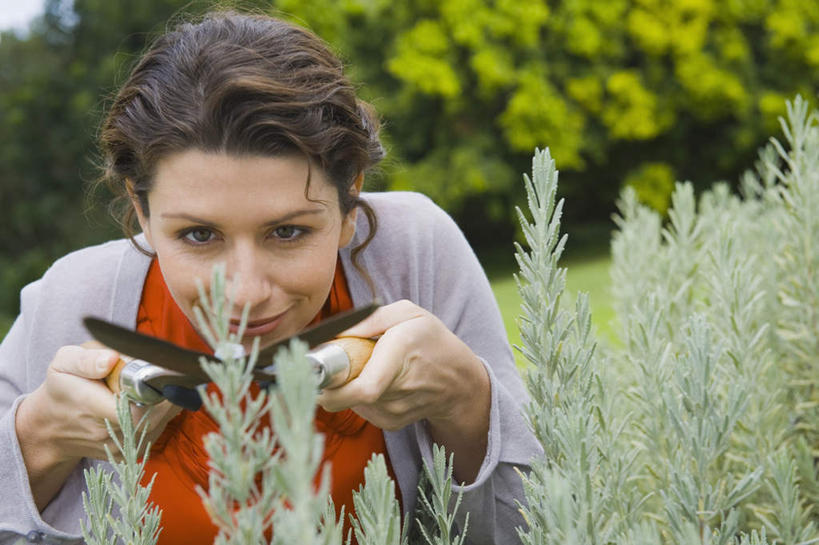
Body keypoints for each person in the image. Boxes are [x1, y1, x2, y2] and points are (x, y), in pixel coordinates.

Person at [0, 11, 542, 545]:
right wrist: (38, 441)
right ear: (141, 212)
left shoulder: (415, 253)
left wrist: (469, 406)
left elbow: (548, 523)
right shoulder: (68, 300)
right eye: (198, 235)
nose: (244, 293)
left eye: (286, 232)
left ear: (350, 198)